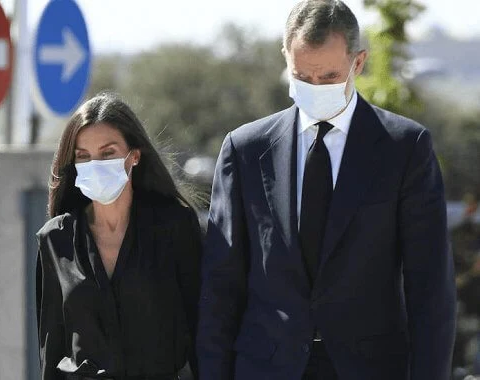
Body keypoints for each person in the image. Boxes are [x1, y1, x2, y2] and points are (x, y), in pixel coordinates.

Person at [196, 1, 456, 379]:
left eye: (330, 76)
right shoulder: (245, 149)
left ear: (359, 62)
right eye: (303, 76)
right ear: (286, 56)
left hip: (369, 368)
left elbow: (430, 289)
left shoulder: (405, 148)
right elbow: (221, 285)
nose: (315, 87)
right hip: (267, 367)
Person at [36, 93, 202, 380]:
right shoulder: (55, 239)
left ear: (134, 156)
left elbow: (202, 330)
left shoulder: (175, 227)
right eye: (83, 156)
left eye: (107, 153)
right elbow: (52, 350)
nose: (95, 164)